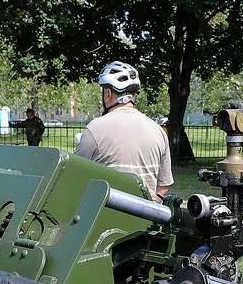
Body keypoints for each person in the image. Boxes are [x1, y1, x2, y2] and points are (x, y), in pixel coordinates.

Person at [73, 60, 173, 197]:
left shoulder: (95, 129)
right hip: (146, 216)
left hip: (105, 216)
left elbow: (73, 175)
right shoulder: (159, 131)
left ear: (108, 94)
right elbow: (164, 186)